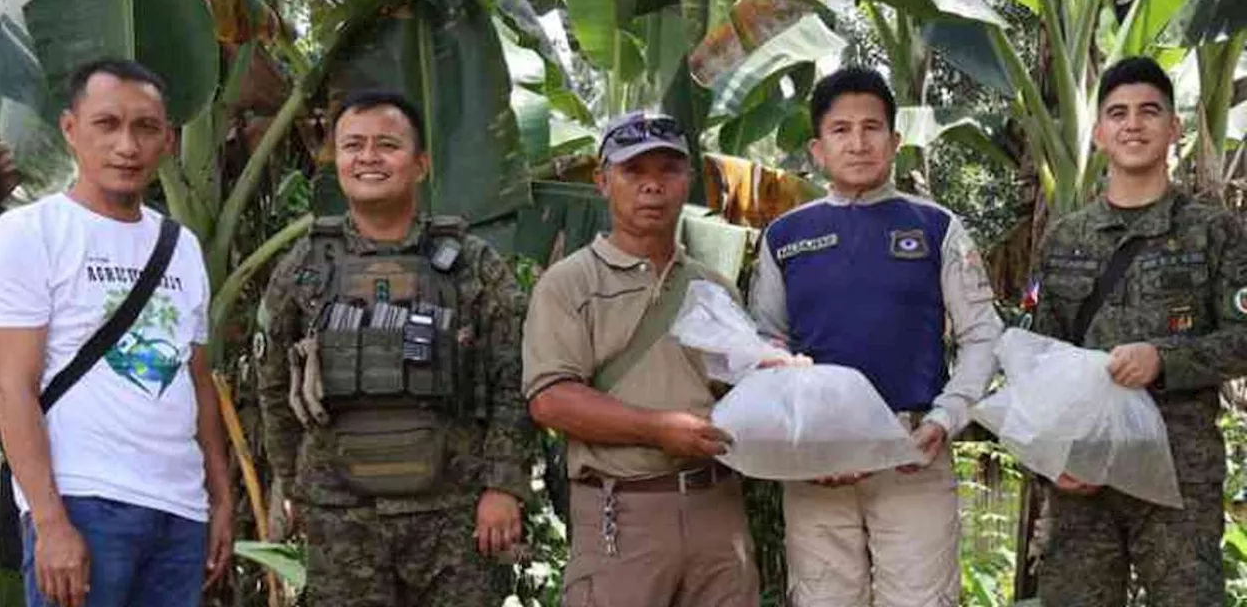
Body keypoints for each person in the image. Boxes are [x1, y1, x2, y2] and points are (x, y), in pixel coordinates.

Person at [0, 58, 233, 607]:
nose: (127, 146)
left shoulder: (180, 246)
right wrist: (50, 521)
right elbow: (11, 389)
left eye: (145, 128)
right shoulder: (29, 233)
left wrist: (219, 497)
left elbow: (198, 379)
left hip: (178, 512)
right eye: (107, 124)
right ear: (71, 130)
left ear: (167, 139)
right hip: (84, 503)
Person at [258, 89, 532, 606]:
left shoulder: (471, 263)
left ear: (421, 163)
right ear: (336, 159)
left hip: (453, 514)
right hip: (341, 515)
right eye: (352, 145)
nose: (368, 158)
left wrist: (503, 486)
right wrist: (297, 483)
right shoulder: (306, 267)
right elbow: (274, 383)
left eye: (387, 145)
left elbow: (513, 379)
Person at [749, 66, 1003, 606]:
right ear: (817, 149)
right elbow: (763, 345)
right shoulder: (785, 236)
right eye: (841, 130)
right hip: (815, 464)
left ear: (895, 140)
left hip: (912, 451)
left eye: (872, 127)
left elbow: (983, 336)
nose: (858, 143)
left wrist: (945, 418)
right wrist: (800, 432)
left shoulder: (937, 228)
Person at [1029, 56, 1247, 606]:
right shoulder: (1066, 239)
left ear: (1174, 127)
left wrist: (1164, 361)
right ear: (1100, 132)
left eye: (1150, 111)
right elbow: (1042, 364)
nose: (1133, 124)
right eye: (1118, 113)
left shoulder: (1212, 230)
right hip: (1085, 471)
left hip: (1178, 474)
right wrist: (1052, 461)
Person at [523, 111, 760, 607]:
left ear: (687, 180)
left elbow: (743, 391)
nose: (652, 185)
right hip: (623, 512)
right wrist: (658, 428)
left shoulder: (713, 288)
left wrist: (781, 375)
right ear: (603, 181)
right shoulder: (570, 284)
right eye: (634, 171)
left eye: (668, 170)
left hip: (717, 509)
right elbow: (551, 401)